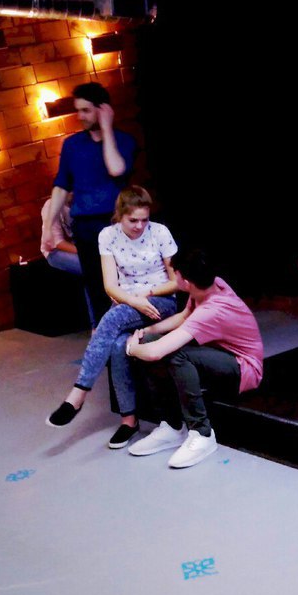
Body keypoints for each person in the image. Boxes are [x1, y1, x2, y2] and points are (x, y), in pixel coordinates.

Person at [46, 187, 178, 449]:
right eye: (133, 220)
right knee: (117, 345)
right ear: (120, 215)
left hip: (160, 301)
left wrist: (147, 294)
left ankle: (79, 393)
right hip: (128, 304)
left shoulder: (160, 232)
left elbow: (176, 282)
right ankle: (129, 421)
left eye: (144, 219)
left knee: (111, 319)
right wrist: (133, 300)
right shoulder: (107, 236)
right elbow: (110, 285)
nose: (140, 226)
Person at [125, 248, 264, 469]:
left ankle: (202, 433)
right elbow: (183, 317)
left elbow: (155, 353)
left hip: (244, 368)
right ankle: (172, 427)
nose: (174, 278)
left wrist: (132, 348)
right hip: (217, 354)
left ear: (187, 282)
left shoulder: (212, 310)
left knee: (174, 353)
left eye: (176, 275)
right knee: (150, 340)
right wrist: (146, 332)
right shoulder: (209, 285)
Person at [44, 81, 137, 326]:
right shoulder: (72, 145)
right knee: (95, 285)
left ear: (103, 109)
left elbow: (116, 169)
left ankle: (132, 333)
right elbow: (61, 186)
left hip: (115, 222)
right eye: (78, 110)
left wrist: (106, 129)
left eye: (86, 110)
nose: (80, 116)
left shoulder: (123, 140)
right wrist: (48, 227)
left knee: (124, 281)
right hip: (84, 226)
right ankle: (103, 335)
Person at [40, 193, 93, 326]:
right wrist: (88, 253)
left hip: (78, 247)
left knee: (98, 266)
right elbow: (57, 243)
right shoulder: (51, 206)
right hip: (54, 252)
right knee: (90, 269)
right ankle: (96, 325)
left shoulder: (81, 203)